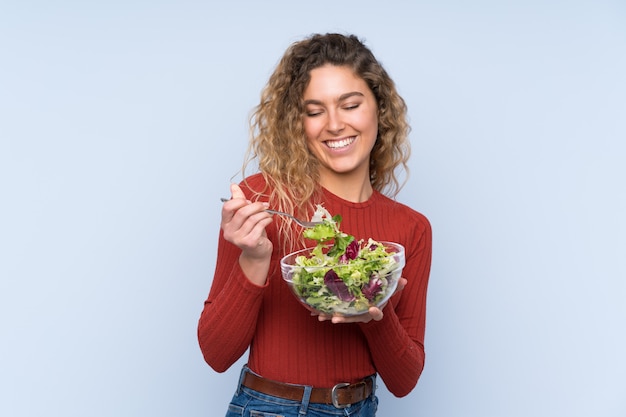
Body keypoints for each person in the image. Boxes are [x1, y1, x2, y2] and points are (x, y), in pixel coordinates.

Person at [198, 33, 432, 417]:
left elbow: (404, 381)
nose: (335, 125)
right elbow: (216, 353)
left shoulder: (411, 228)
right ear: (297, 122)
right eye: (314, 110)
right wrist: (254, 259)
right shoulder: (260, 202)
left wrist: (375, 311)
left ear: (380, 108)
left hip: (359, 408)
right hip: (266, 408)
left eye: (351, 105)